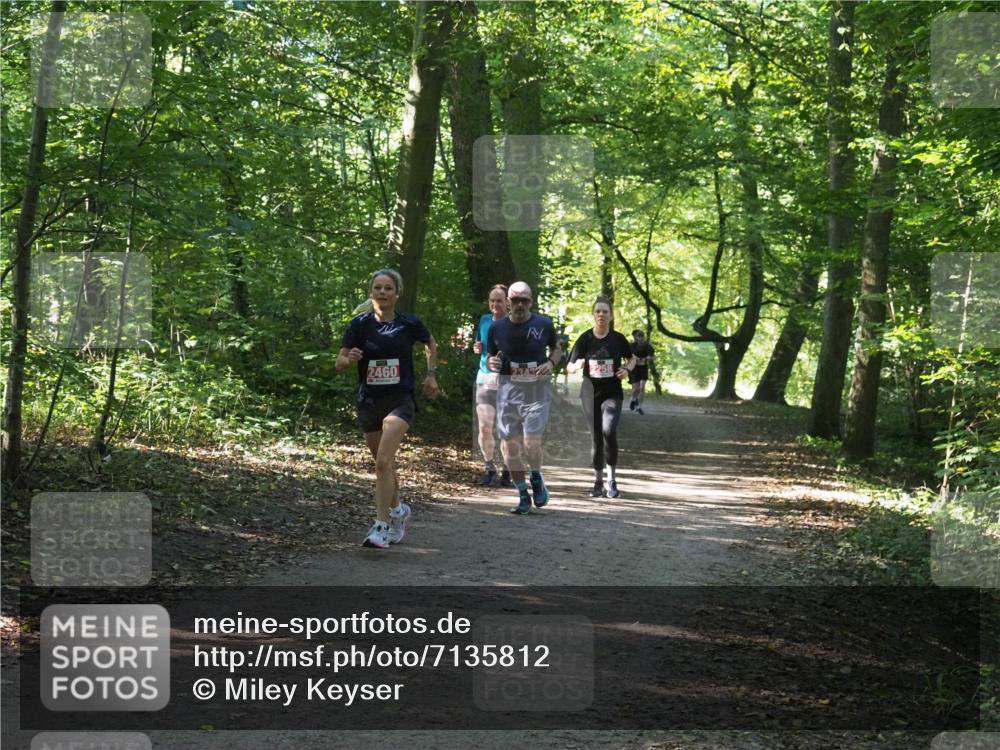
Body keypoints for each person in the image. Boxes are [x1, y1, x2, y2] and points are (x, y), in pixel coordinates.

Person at [336, 269, 440, 548]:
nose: (382, 292)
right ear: (371, 293)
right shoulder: (360, 324)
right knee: (384, 464)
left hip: (399, 399)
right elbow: (340, 362)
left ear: (397, 293)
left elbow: (431, 344)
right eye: (378, 288)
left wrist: (431, 374)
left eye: (388, 288)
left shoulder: (408, 323)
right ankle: (398, 512)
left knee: (383, 461)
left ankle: (380, 526)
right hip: (369, 400)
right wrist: (350, 358)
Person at [487, 281, 562, 515]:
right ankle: (522, 494)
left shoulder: (543, 324)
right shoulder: (496, 328)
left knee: (531, 441)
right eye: (515, 299)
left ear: (531, 301)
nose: (520, 304)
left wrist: (550, 363)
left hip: (537, 391)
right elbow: (491, 357)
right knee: (509, 447)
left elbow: (557, 349)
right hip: (508, 392)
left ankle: (537, 476)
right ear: (508, 301)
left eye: (524, 300)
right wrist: (492, 363)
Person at [567, 296, 636, 498]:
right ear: (593, 314)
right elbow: (569, 366)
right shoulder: (585, 338)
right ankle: (598, 481)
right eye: (598, 311)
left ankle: (612, 480)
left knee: (609, 431)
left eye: (605, 311)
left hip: (612, 393)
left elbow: (632, 358)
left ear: (611, 315)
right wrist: (577, 366)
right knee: (596, 437)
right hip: (589, 394)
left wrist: (626, 370)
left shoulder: (618, 339)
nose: (601, 315)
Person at [472, 284, 513, 487]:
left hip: (508, 381)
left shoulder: (514, 323)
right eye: (492, 301)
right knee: (485, 426)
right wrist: (476, 347)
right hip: (485, 378)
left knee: (506, 428)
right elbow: (479, 345)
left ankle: (508, 469)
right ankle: (489, 468)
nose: (495, 304)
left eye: (499, 300)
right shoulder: (484, 320)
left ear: (507, 302)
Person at [628, 329, 654, 415]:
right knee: (636, 388)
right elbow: (627, 355)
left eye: (642, 337)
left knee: (642, 387)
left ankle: (639, 407)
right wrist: (635, 358)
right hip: (634, 368)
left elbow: (653, 356)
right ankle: (632, 399)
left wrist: (648, 358)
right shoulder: (632, 346)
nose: (641, 339)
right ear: (636, 338)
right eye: (639, 338)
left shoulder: (648, 346)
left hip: (643, 368)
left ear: (644, 337)